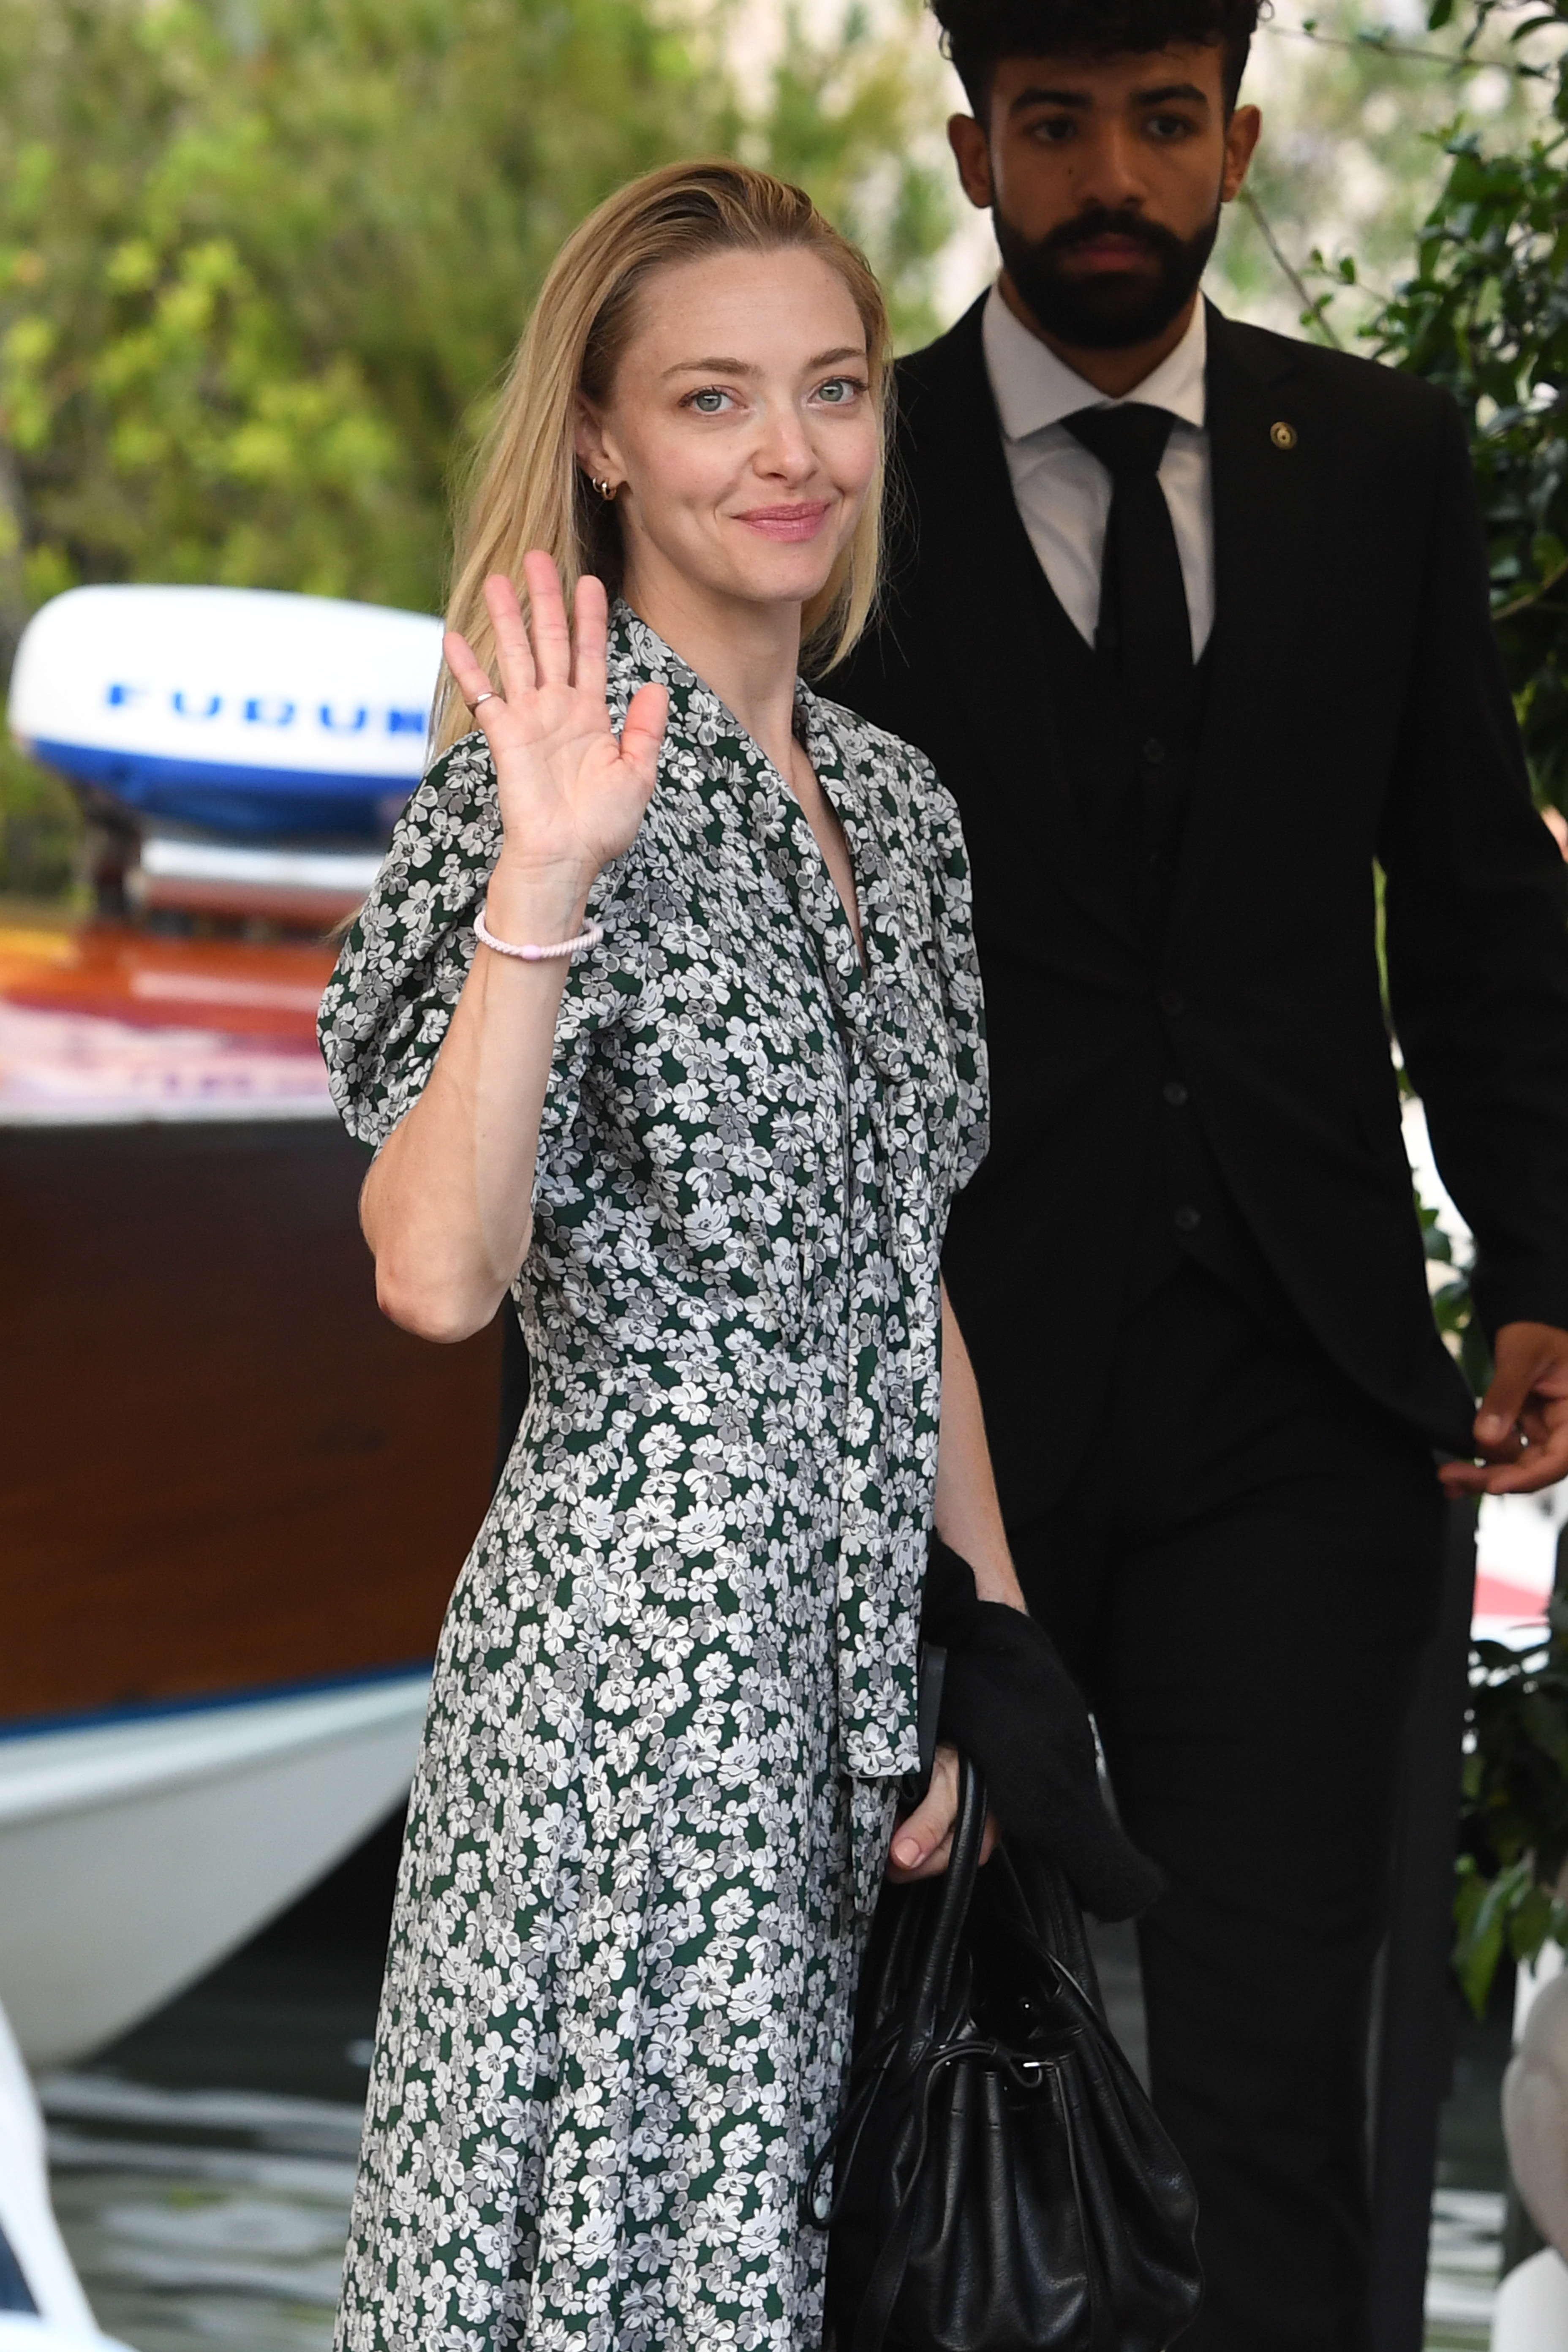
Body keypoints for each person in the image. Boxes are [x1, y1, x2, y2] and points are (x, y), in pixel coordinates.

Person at [825, 2, 1568, 2345]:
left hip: (1301, 1381)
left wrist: (1543, 1257)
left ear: (1239, 135)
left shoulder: (1376, 458)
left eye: (1163, 124)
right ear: (974, 150)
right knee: (909, 2036)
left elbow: (1469, 898)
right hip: (956, 1401)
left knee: (1282, 2061)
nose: (1115, 180)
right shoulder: (852, 475)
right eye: (1060, 131)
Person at [317, 159, 1030, 2352]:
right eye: (715, 401)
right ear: (607, 440)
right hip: (633, 1709)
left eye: (832, 388)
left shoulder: (896, 804)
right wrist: (549, 871)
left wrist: (996, 1658)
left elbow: (905, 1273)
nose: (791, 451)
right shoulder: (523, 786)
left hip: (859, 1713)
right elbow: (436, 1275)